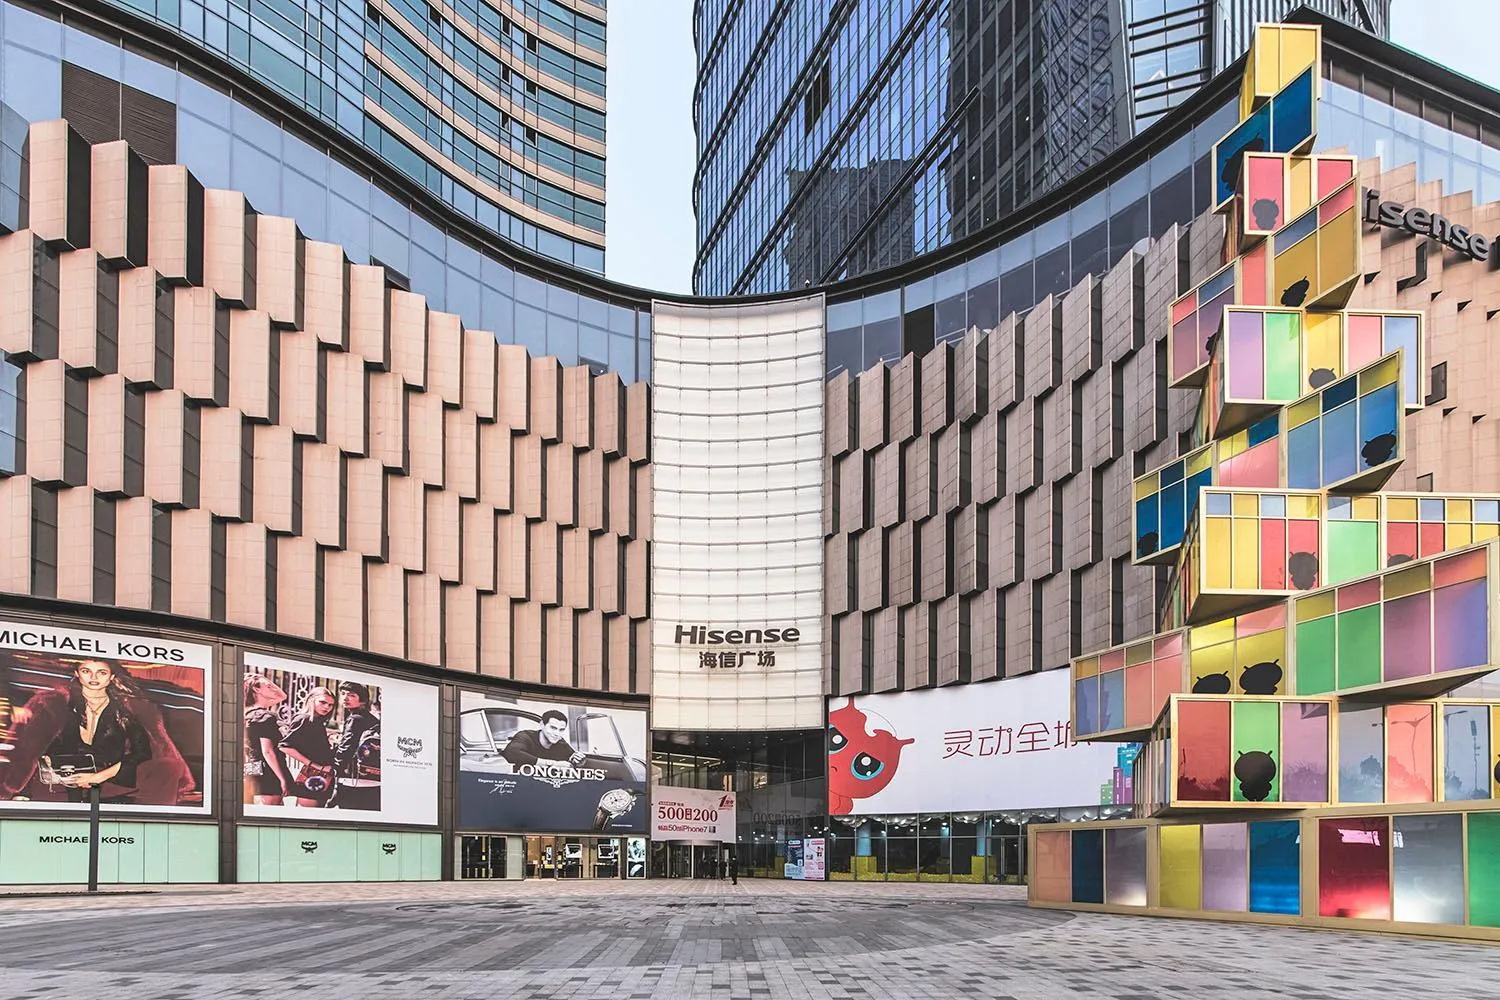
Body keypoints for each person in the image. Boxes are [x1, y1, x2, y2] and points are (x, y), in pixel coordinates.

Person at [1, 660, 194, 806]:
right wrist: (20, 791)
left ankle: (149, 829)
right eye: (87, 671)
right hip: (59, 783)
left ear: (111, 677)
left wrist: (97, 777)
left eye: (101, 672)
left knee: (169, 766)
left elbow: (141, 752)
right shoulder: (54, 703)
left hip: (105, 778)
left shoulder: (126, 709)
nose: (93, 678)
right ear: (77, 673)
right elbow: (28, 750)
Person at [280, 686, 337, 808]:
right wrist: (315, 766)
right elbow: (285, 746)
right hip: (311, 775)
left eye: (330, 705)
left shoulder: (317, 721)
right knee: (305, 817)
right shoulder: (304, 719)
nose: (327, 707)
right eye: (323, 702)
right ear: (311, 700)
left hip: (324, 775)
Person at [329, 681, 380, 811]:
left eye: (351, 695)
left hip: (353, 781)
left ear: (362, 700)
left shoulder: (355, 718)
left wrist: (334, 769)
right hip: (373, 779)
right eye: (343, 694)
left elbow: (346, 748)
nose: (345, 698)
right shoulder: (372, 719)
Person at [243, 673, 292, 805]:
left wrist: (263, 681)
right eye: (268, 686)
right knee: (269, 815)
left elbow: (283, 696)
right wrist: (282, 778)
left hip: (252, 767)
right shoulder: (265, 717)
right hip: (268, 770)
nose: (273, 688)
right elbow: (267, 751)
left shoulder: (247, 713)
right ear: (257, 689)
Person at [501, 709, 586, 768]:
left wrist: (578, 761)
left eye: (561, 730)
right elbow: (512, 753)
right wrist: (553, 764)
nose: (557, 733)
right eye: (553, 728)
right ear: (542, 725)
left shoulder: (560, 743)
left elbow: (571, 759)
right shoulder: (526, 736)